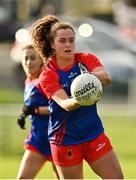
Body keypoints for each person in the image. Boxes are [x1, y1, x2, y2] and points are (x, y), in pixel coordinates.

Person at [31, 15, 124, 179]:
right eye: (62, 40)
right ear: (52, 44)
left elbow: (106, 77)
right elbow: (66, 103)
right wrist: (84, 93)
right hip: (65, 140)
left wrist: (89, 80)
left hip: (93, 134)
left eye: (71, 40)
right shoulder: (48, 74)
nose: (68, 44)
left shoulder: (85, 59)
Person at [16, 44, 59, 179]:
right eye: (26, 58)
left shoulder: (45, 80)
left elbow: (59, 107)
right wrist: (24, 114)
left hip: (56, 140)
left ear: (41, 60)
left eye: (33, 58)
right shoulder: (28, 81)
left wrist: (35, 110)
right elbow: (31, 109)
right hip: (37, 140)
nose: (28, 62)